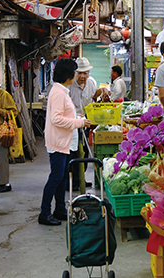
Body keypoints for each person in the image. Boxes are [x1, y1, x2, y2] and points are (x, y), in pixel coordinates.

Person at [39, 58, 91, 226]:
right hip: (58, 142)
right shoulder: (58, 93)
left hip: (64, 141)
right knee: (56, 177)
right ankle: (44, 212)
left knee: (62, 178)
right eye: (75, 73)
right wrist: (79, 123)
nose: (77, 76)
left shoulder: (62, 91)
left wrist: (78, 117)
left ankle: (59, 209)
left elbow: (64, 115)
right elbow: (57, 119)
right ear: (68, 75)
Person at [68, 57, 103, 190]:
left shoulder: (91, 83)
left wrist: (102, 92)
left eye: (85, 73)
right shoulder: (69, 85)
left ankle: (81, 178)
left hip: (86, 123)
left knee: (85, 152)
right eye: (79, 73)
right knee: (73, 152)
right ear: (74, 72)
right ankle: (73, 181)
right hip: (72, 123)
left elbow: (93, 96)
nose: (83, 76)